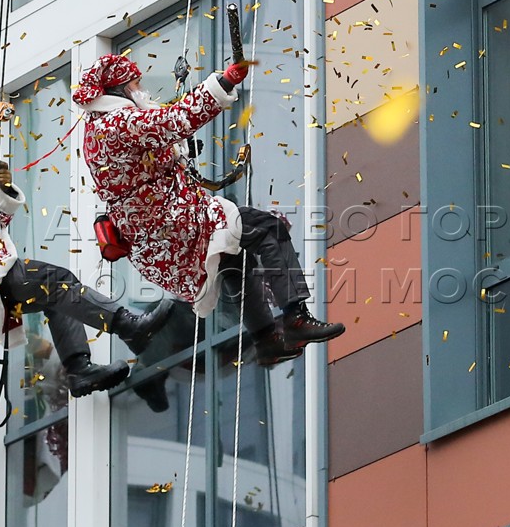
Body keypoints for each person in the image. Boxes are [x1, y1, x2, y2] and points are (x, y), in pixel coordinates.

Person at [73, 52, 342, 363]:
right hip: (175, 224)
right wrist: (223, 82)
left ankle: (267, 339)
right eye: (135, 83)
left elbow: (146, 157)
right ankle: (295, 317)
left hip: (156, 239)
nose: (140, 88)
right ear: (119, 88)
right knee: (268, 227)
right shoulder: (117, 122)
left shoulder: (99, 127)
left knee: (233, 258)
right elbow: (174, 121)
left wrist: (177, 151)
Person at [0, 132, 175, 397]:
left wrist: (3, 190)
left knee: (58, 294)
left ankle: (80, 370)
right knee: (59, 283)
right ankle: (128, 328)